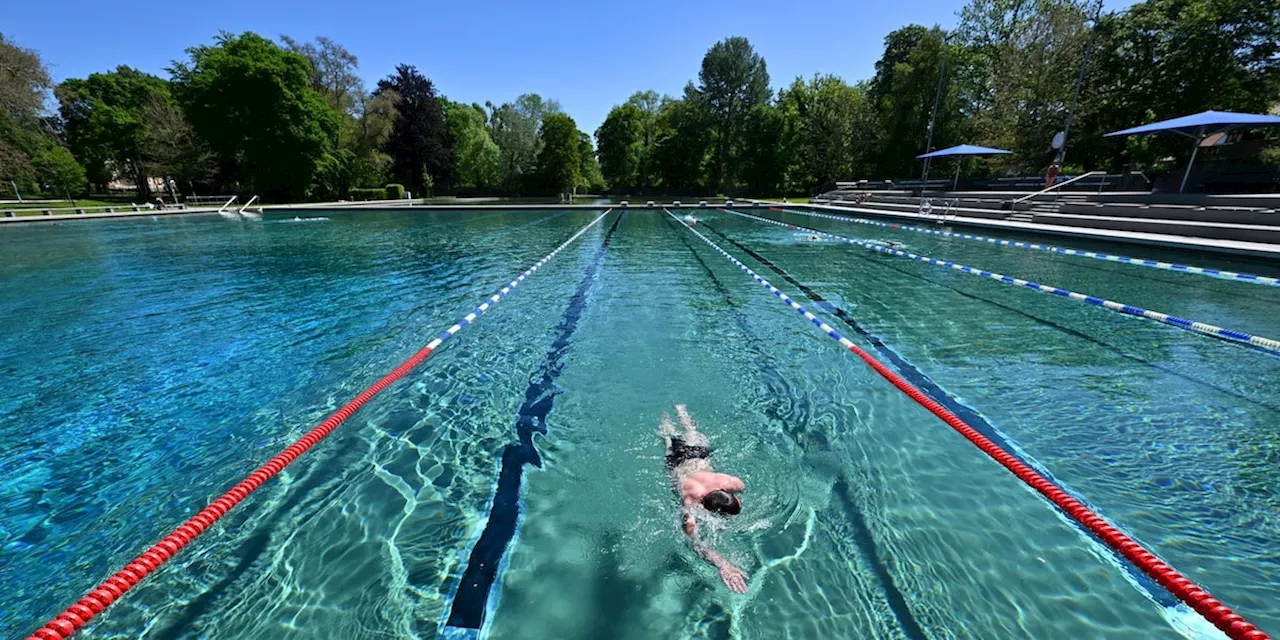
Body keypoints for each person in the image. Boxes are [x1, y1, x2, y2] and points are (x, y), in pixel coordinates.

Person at [660, 404, 748, 593]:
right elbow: (697, 545)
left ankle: (669, 412)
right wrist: (722, 564)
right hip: (683, 461)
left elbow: (741, 490)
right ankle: (677, 411)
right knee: (678, 435)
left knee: (676, 435)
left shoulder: (728, 482)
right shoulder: (691, 504)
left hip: (693, 458)